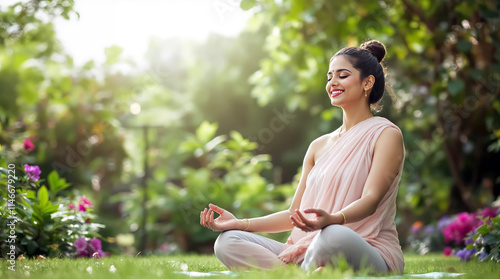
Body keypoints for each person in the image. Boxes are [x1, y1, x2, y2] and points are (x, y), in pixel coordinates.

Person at [200, 40, 405, 274]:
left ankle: (295, 274)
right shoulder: (318, 146)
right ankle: (306, 274)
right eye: (329, 77)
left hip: (365, 249)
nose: (332, 83)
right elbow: (293, 215)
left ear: (367, 82)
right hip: (308, 250)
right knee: (228, 241)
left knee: (333, 234)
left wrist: (334, 218)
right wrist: (239, 224)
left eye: (342, 75)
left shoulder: (386, 134)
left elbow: (371, 200)